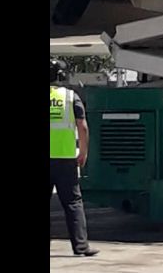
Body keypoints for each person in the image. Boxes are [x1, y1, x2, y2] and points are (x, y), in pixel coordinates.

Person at [50, 59, 99, 257]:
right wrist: (83, 152)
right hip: (64, 158)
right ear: (62, 77)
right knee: (73, 203)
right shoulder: (71, 97)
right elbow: (83, 126)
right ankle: (80, 246)